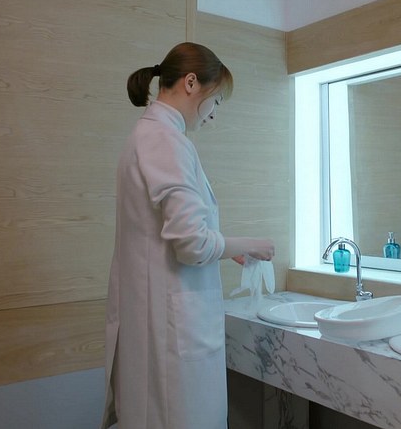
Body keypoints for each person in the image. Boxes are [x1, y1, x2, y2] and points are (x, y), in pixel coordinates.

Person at [101, 42, 275, 429]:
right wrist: (250, 244)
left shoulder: (149, 135)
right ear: (192, 83)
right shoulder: (165, 140)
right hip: (169, 334)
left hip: (158, 321)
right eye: (216, 101)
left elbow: (170, 234)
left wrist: (225, 249)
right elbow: (192, 244)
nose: (213, 113)